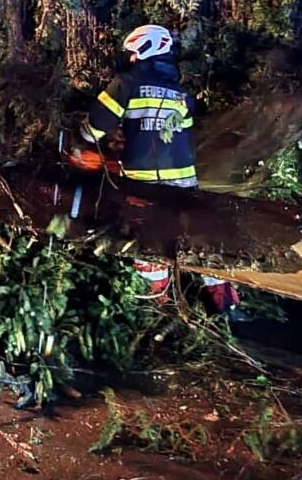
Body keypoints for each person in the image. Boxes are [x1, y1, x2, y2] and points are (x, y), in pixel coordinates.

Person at [81, 24, 239, 313]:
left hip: (144, 183)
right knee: (194, 234)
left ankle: (158, 299)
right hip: (183, 180)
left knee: (148, 239)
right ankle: (221, 292)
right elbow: (182, 136)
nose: (130, 59)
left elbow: (97, 127)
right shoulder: (183, 95)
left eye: (132, 53)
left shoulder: (127, 83)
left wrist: (84, 137)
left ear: (144, 50)